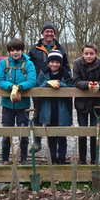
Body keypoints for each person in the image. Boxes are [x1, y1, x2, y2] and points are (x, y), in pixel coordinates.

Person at [28, 21, 70, 152]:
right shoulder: (34, 49)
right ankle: (37, 141)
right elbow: (29, 66)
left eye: (52, 31)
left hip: (58, 85)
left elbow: (67, 67)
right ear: (42, 33)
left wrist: (66, 80)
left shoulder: (60, 48)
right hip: (40, 84)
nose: (49, 33)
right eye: (47, 31)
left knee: (57, 112)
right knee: (38, 112)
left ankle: (59, 140)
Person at [0, 38, 37, 165]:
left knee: (23, 133)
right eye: (12, 50)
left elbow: (32, 80)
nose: (15, 53)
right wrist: (10, 87)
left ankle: (23, 159)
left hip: (23, 105)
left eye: (17, 50)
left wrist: (19, 87)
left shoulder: (29, 64)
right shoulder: (3, 63)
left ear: (22, 51)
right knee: (6, 132)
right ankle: (5, 159)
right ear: (9, 51)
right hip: (7, 104)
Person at [73, 42, 100, 164]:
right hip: (81, 103)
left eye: (91, 54)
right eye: (86, 53)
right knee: (82, 131)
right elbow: (76, 81)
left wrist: (99, 85)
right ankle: (82, 158)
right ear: (82, 54)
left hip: (96, 102)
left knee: (95, 131)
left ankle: (95, 158)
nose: (89, 56)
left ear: (96, 54)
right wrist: (87, 85)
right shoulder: (77, 63)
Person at [36, 50, 74, 165]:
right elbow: (38, 88)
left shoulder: (66, 74)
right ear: (48, 63)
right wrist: (48, 83)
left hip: (63, 109)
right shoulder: (43, 73)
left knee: (62, 135)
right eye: (52, 62)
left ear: (60, 63)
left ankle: (62, 157)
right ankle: (52, 157)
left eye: (57, 62)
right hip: (48, 109)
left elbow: (71, 87)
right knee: (51, 135)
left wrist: (60, 84)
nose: (54, 64)